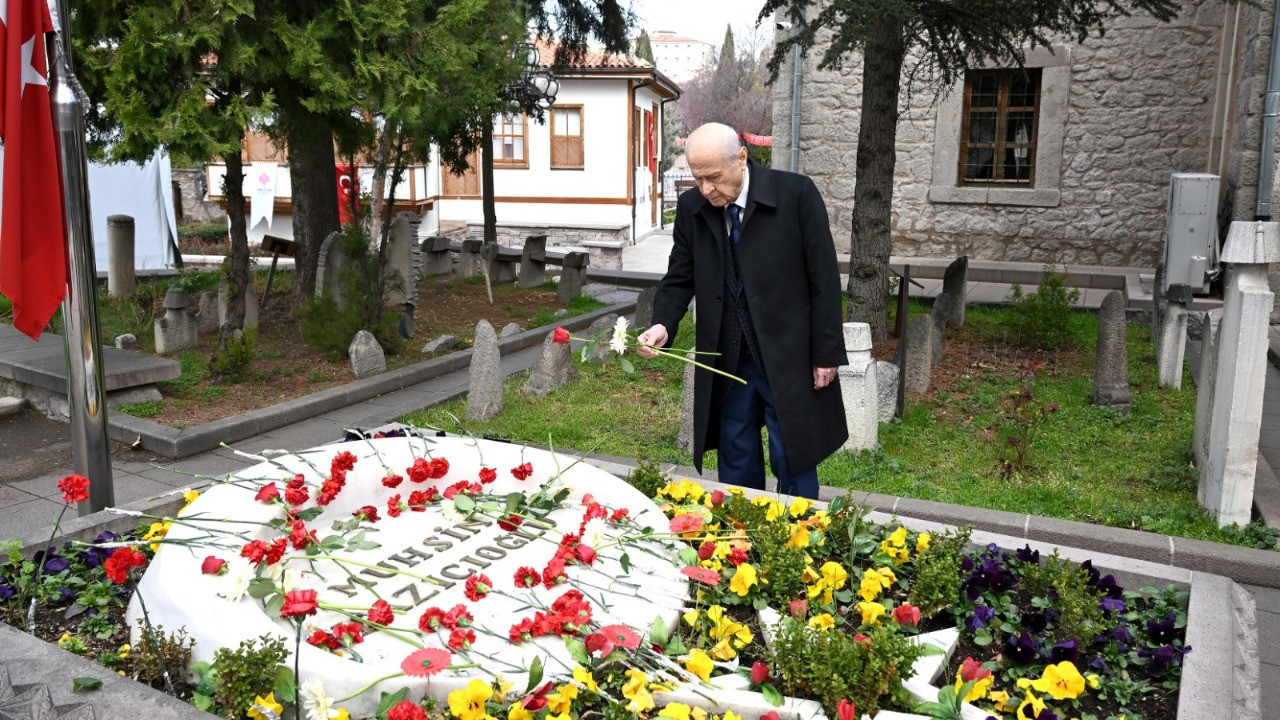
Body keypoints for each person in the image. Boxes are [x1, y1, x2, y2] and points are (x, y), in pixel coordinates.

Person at [637, 122, 847, 499]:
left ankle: (801, 528)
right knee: (735, 453)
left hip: (788, 355)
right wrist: (663, 323)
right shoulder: (692, 208)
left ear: (741, 158)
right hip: (728, 358)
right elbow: (680, 276)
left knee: (793, 454)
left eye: (714, 178)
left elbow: (825, 279)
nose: (706, 189)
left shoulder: (796, 194)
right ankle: (740, 529)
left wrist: (827, 352)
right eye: (698, 179)